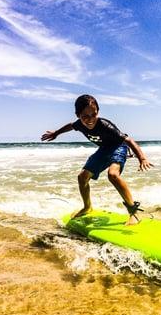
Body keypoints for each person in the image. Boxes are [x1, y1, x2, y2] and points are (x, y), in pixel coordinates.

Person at [41, 94, 153, 225]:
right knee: (82, 177)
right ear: (78, 115)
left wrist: (142, 158)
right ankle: (87, 207)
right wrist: (56, 133)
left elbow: (128, 140)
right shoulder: (79, 124)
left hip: (119, 147)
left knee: (113, 175)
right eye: (85, 116)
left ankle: (134, 212)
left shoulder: (105, 125)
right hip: (104, 149)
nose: (90, 119)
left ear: (97, 112)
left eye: (93, 114)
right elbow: (71, 125)